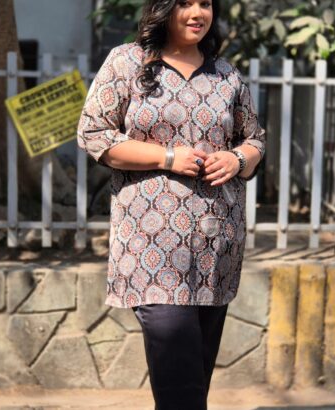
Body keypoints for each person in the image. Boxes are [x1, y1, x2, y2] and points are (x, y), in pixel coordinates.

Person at [77, 0, 266, 408]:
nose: (198, 13)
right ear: (163, 8)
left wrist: (237, 159)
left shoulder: (225, 74)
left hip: (216, 248)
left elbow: (255, 140)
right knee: (182, 387)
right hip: (153, 250)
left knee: (192, 381)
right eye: (185, 3)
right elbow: (93, 134)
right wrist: (167, 157)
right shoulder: (128, 62)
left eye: (205, 4)